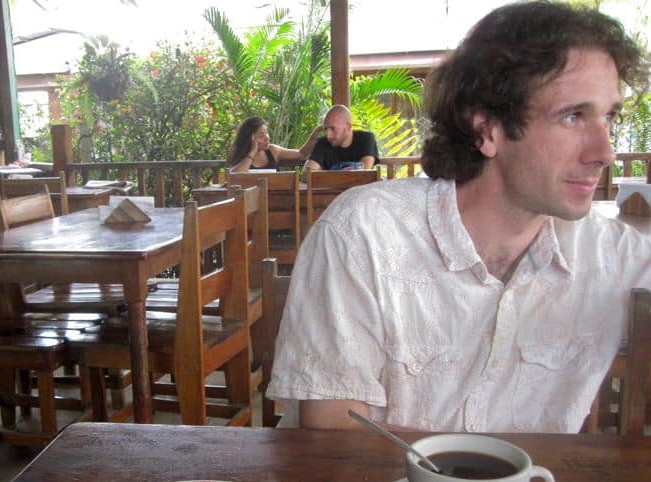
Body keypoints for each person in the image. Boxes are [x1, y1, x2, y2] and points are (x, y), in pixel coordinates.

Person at [267, 1, 649, 433]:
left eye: (609, 117)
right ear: (487, 129)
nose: (605, 152)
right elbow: (334, 439)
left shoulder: (614, 255)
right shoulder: (364, 234)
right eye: (573, 116)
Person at [227, 117, 322, 173]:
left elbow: (302, 154)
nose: (267, 137)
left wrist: (315, 133)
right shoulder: (239, 153)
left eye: (266, 133)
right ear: (250, 137)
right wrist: (252, 152)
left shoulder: (273, 150)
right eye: (261, 134)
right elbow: (235, 176)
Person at [303, 104, 379, 171]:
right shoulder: (323, 142)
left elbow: (365, 173)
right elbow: (307, 174)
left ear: (348, 127)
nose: (328, 135)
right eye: (326, 129)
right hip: (331, 187)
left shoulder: (365, 139)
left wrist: (325, 177)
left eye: (333, 129)